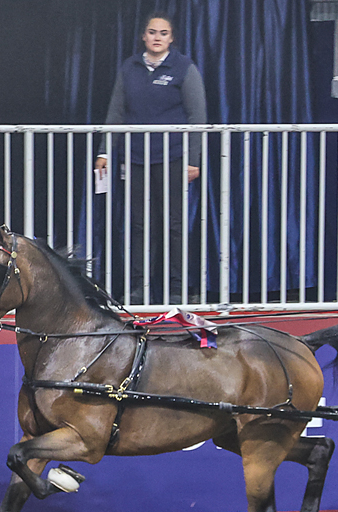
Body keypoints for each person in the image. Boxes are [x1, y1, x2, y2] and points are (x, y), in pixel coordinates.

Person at [94, 12, 207, 305]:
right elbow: (116, 111)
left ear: (172, 38)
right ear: (144, 36)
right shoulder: (129, 67)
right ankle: (138, 288)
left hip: (172, 158)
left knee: (174, 225)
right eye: (152, 32)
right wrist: (104, 151)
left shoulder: (184, 68)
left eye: (163, 33)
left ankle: (178, 288)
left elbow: (197, 116)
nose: (157, 38)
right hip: (134, 159)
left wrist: (193, 159)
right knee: (138, 225)